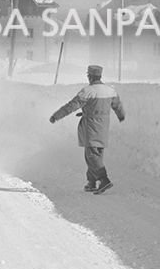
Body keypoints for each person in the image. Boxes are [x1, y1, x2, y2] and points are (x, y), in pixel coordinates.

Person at [49, 64, 126, 194]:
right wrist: (121, 116)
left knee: (91, 155)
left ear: (90, 77)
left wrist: (56, 116)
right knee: (96, 154)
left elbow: (71, 106)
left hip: (91, 126)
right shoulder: (110, 91)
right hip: (103, 126)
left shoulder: (88, 91)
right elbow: (117, 106)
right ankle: (91, 182)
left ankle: (104, 179)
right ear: (99, 76)